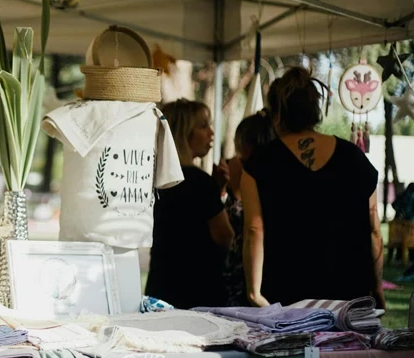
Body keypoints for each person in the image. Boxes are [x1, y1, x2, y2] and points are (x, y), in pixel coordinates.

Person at [241, 67, 385, 308]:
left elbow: (254, 229)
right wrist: (378, 289)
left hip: (284, 298)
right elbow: (374, 230)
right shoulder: (355, 159)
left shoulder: (260, 163)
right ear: (314, 110)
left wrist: (254, 293)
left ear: (277, 114)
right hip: (347, 298)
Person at [146, 99, 233, 309]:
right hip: (199, 292)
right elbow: (225, 237)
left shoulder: (153, 179)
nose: (211, 133)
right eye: (203, 126)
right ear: (184, 133)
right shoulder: (200, 182)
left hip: (161, 288)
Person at [222, 110, 277, 306]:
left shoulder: (255, 174)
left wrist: (236, 191)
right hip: (243, 270)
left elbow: (245, 225)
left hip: (252, 270)